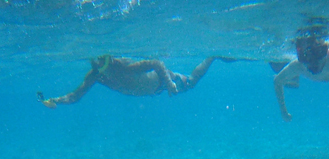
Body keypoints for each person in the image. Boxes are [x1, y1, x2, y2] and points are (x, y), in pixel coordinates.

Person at [38, 55, 218, 107]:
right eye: (97, 64)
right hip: (154, 89)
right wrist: (55, 100)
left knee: (192, 82)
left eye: (102, 62)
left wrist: (170, 83)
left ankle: (213, 56)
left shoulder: (123, 66)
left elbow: (156, 62)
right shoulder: (95, 75)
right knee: (190, 84)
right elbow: (75, 96)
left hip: (165, 82)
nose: (100, 66)